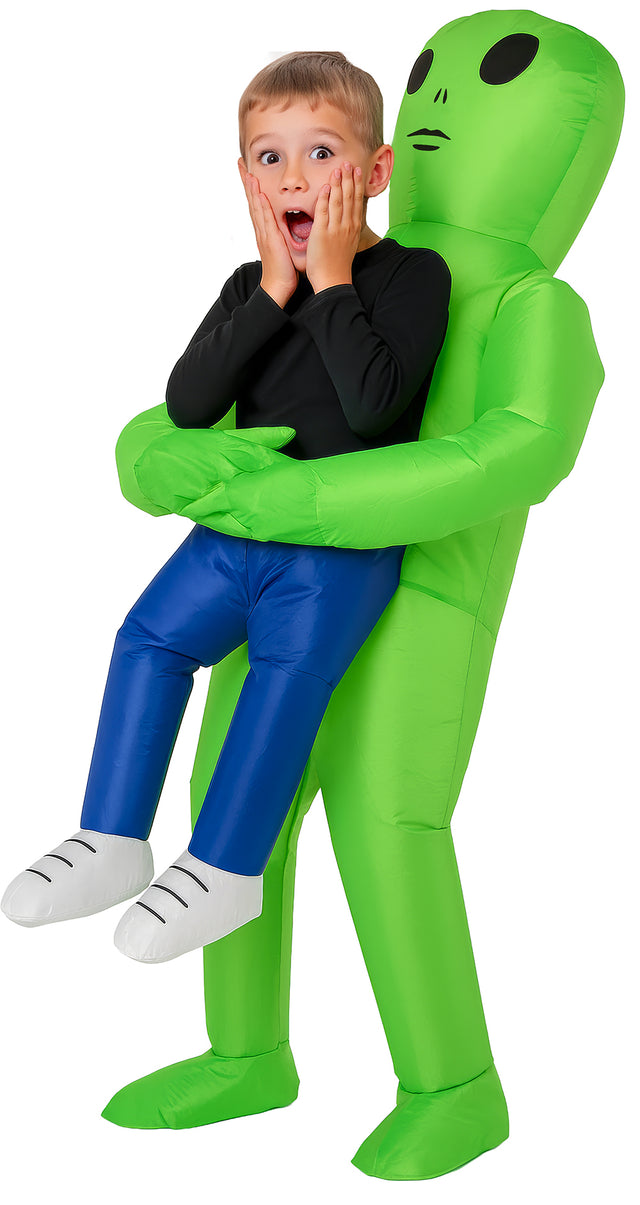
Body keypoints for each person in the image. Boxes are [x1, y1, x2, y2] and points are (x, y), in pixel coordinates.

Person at [1, 50, 450, 963]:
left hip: (337, 546)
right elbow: (191, 401)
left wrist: (330, 281)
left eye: (321, 153)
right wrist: (277, 286)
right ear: (244, 177)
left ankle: (224, 869)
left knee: (285, 676)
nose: (293, 178)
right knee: (146, 640)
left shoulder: (413, 276)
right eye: (268, 157)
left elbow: (374, 405)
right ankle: (111, 837)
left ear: (375, 171)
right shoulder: (250, 285)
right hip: (235, 533)